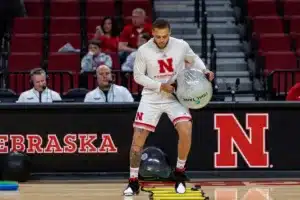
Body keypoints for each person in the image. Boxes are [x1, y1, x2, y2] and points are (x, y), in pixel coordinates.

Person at [123, 19, 214, 196]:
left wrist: (205, 71)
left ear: (169, 33)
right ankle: (133, 181)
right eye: (158, 37)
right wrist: (159, 86)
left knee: (186, 129)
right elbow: (138, 77)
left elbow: (193, 59)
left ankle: (179, 174)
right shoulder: (144, 50)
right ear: (152, 34)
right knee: (137, 141)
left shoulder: (181, 45)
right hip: (152, 96)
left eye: (164, 36)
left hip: (175, 94)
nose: (161, 40)